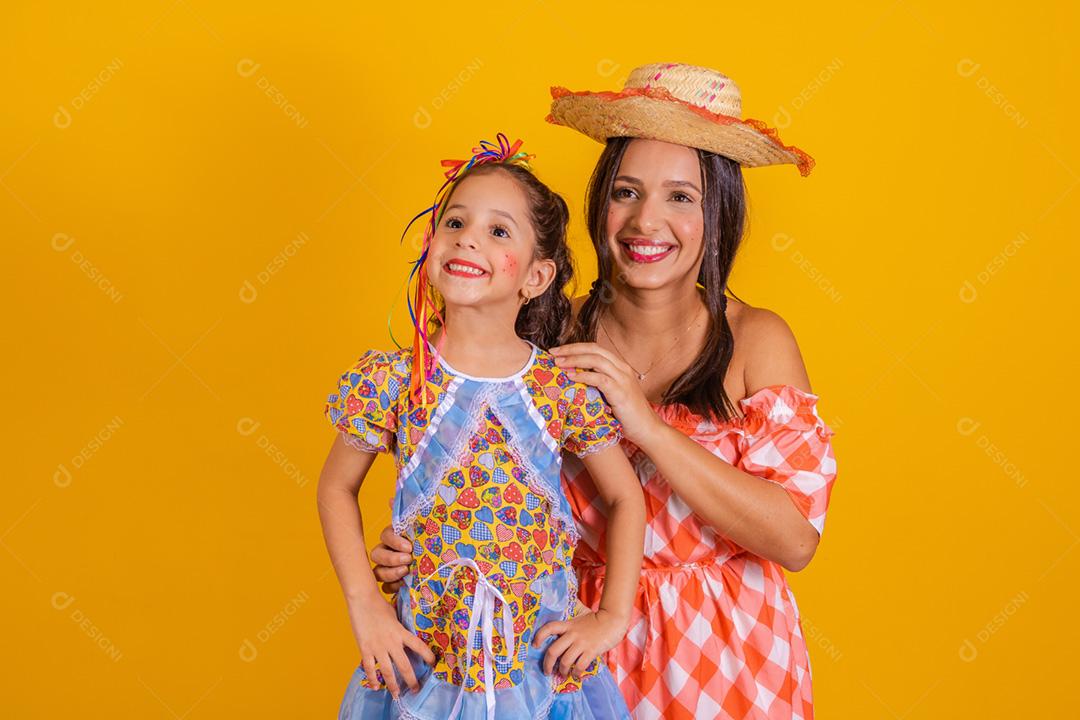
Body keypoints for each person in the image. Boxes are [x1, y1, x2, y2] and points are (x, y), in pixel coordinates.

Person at [371, 65, 838, 719]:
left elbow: (793, 540)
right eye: (626, 192)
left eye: (682, 197)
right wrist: (416, 549)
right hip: (564, 643)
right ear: (600, 203)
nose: (647, 221)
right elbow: (472, 476)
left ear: (719, 212)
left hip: (727, 656)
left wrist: (644, 426)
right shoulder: (545, 333)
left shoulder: (755, 340)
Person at [317, 134, 645, 720]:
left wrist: (611, 616)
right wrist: (365, 604)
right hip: (425, 668)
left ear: (537, 277)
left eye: (499, 231)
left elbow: (625, 496)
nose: (468, 236)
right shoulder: (393, 380)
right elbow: (336, 487)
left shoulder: (558, 387)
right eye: (455, 222)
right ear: (430, 243)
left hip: (538, 670)